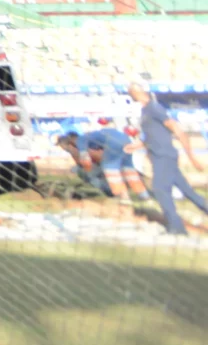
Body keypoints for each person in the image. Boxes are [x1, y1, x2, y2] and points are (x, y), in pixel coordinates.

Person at [133, 84, 207, 235]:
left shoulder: (155, 108)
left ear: (138, 92)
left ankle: (176, 228)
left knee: (160, 189)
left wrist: (192, 158)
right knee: (188, 192)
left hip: (164, 156)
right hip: (158, 156)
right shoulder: (145, 110)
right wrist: (139, 145)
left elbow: (176, 129)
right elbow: (153, 135)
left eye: (131, 91)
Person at [85, 117, 138, 201]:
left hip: (112, 160)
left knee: (100, 176)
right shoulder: (118, 134)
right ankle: (125, 195)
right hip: (121, 158)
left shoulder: (103, 134)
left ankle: (121, 195)